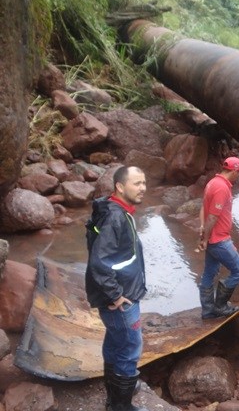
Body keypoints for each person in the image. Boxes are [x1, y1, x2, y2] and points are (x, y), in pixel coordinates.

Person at [85, 166, 148, 411]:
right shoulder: (115, 217)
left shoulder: (118, 210)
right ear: (120, 187)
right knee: (130, 348)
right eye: (136, 183)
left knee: (115, 342)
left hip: (119, 292)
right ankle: (121, 406)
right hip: (120, 298)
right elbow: (99, 262)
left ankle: (116, 392)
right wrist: (116, 295)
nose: (142, 188)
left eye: (144, 182)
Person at [197, 156, 239, 319]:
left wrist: (202, 229)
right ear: (233, 171)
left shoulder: (213, 182)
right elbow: (212, 216)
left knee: (209, 273)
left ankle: (207, 310)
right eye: (238, 173)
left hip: (212, 237)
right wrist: (205, 238)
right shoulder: (221, 188)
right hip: (219, 239)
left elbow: (203, 208)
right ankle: (220, 306)